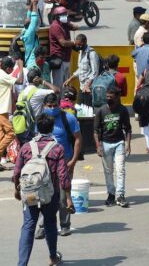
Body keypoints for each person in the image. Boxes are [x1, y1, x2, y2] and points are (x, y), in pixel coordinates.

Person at [13, 113, 74, 266]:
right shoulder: (57, 148)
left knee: (28, 225)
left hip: (30, 194)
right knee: (50, 224)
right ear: (52, 128)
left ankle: (22, 264)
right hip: (50, 194)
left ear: (36, 128)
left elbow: (16, 172)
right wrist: (68, 197)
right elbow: (62, 175)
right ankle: (53, 257)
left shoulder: (27, 147)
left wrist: (16, 190)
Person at [37, 93, 81, 238]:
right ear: (44, 106)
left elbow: (77, 139)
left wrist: (73, 160)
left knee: (63, 195)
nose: (52, 108)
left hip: (65, 160)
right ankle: (43, 226)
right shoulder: (42, 120)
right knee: (44, 196)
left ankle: (65, 225)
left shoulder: (68, 118)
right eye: (49, 106)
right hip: (45, 163)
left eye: (55, 105)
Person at [94, 87, 131, 208]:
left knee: (120, 169)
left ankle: (120, 195)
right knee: (108, 171)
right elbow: (95, 130)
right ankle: (111, 194)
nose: (108, 98)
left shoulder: (123, 110)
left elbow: (128, 129)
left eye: (111, 96)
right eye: (107, 96)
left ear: (117, 97)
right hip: (105, 144)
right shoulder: (101, 111)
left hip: (119, 143)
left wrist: (128, 144)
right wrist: (98, 145)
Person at [63, 34, 100, 106]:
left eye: (80, 44)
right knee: (80, 108)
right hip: (82, 87)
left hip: (89, 89)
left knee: (88, 111)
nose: (78, 46)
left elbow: (95, 72)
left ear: (85, 42)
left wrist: (87, 85)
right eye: (77, 45)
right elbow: (80, 69)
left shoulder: (92, 54)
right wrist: (70, 79)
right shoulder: (80, 52)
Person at [48, 7, 75, 88]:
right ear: (57, 16)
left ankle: (64, 100)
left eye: (65, 15)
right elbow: (63, 43)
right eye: (63, 15)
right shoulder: (55, 26)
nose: (65, 16)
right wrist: (74, 43)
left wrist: (69, 23)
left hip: (66, 58)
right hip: (59, 59)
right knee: (59, 85)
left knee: (66, 85)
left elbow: (76, 27)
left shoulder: (64, 24)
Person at [0, 57, 19, 168]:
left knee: (1, 135)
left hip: (3, 110)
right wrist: (20, 67)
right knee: (11, 133)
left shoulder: (2, 74)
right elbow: (19, 81)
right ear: (8, 68)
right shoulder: (3, 75)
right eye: (11, 68)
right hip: (1, 110)